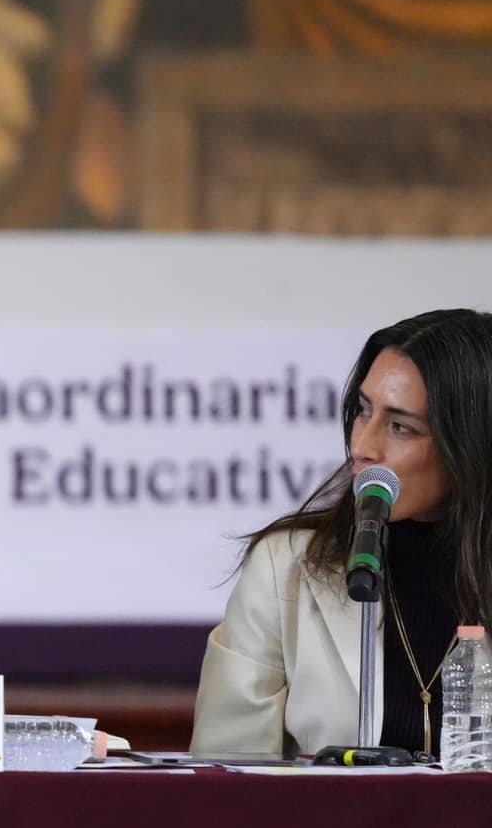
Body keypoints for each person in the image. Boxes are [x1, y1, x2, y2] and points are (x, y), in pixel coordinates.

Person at [194, 309, 492, 759]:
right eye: (363, 411)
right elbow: (225, 776)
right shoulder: (285, 568)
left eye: (400, 427)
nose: (362, 447)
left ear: (470, 446)